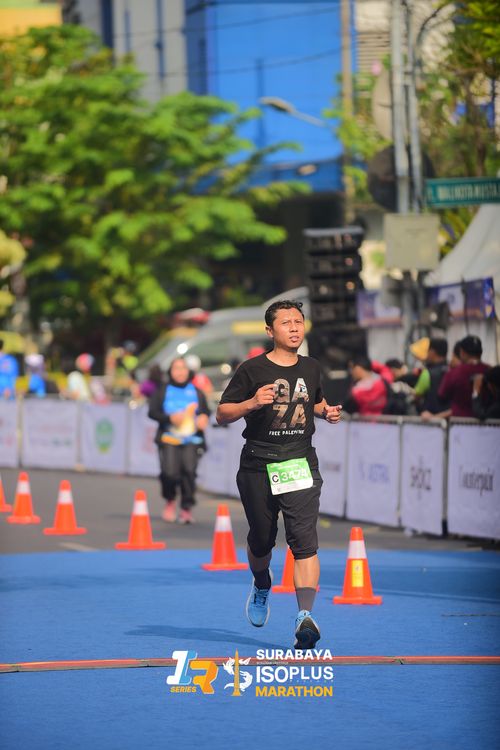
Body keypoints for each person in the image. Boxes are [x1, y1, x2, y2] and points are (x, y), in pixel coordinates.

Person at [216, 300, 342, 649]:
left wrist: (326, 412)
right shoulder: (251, 369)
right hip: (258, 463)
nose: (294, 327)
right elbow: (222, 413)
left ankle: (305, 616)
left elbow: (313, 401)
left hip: (298, 462)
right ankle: (261, 583)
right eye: (286, 322)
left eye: (298, 321)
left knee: (304, 541)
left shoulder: (312, 367)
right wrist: (251, 403)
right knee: (261, 539)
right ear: (270, 331)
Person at [148, 357, 209, 524]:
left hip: (192, 439)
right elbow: (152, 412)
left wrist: (203, 418)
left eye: (183, 368)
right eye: (176, 368)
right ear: (170, 372)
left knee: (189, 472)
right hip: (169, 438)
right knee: (169, 473)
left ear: (188, 371)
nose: (180, 372)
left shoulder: (196, 391)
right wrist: (169, 418)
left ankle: (186, 508)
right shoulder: (162, 390)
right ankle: (170, 500)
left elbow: (205, 411)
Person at [438, 335, 490, 417]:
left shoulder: (454, 373)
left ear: (462, 352)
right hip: (490, 422)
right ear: (481, 352)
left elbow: (441, 397)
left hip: (459, 422)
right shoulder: (490, 371)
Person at [414, 338, 450, 420]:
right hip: (450, 419)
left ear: (432, 352)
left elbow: (417, 395)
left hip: (430, 419)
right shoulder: (452, 371)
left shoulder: (427, 373)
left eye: (428, 351)